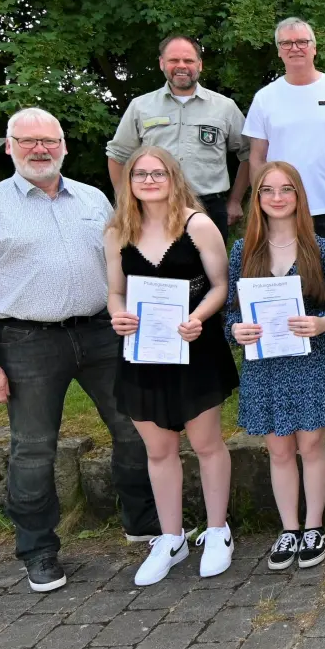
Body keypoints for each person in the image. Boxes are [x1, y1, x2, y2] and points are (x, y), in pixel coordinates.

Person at [0, 108, 160, 593]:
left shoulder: (92, 198)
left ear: (64, 145)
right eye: (27, 141)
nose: (39, 149)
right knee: (34, 448)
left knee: (134, 427)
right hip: (27, 340)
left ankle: (142, 520)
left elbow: (122, 265)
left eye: (49, 140)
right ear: (9, 147)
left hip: (101, 332)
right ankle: (38, 549)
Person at [104, 148, 240, 586]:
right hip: (143, 352)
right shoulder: (117, 231)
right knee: (159, 450)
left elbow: (221, 286)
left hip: (193, 347)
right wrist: (118, 314)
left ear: (173, 177)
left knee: (206, 444)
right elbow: (115, 292)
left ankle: (218, 530)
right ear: (129, 181)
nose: (148, 179)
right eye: (139, 174)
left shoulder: (197, 225)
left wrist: (198, 318)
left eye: (157, 172)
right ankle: (171, 537)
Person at [225, 163, 325, 571]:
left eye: (286, 189)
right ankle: (289, 528)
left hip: (311, 361)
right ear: (256, 198)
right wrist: (236, 330)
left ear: (299, 197)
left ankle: (314, 526)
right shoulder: (243, 251)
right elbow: (229, 313)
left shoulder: (321, 248)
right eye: (268, 190)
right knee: (278, 448)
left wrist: (323, 322)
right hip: (264, 366)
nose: (278, 197)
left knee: (310, 446)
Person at [107, 35, 251, 237]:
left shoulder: (225, 107)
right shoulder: (140, 107)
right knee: (156, 267)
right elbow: (117, 156)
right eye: (174, 60)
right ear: (162, 63)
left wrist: (235, 200)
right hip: (154, 207)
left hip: (209, 207)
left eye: (188, 60)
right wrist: (127, 202)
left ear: (199, 65)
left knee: (213, 268)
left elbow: (249, 154)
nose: (181, 66)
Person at [245, 17, 325, 239]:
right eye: (286, 43)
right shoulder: (264, 98)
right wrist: (261, 204)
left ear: (314, 48)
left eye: (302, 42)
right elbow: (257, 158)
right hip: (283, 209)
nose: (295, 48)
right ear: (279, 51)